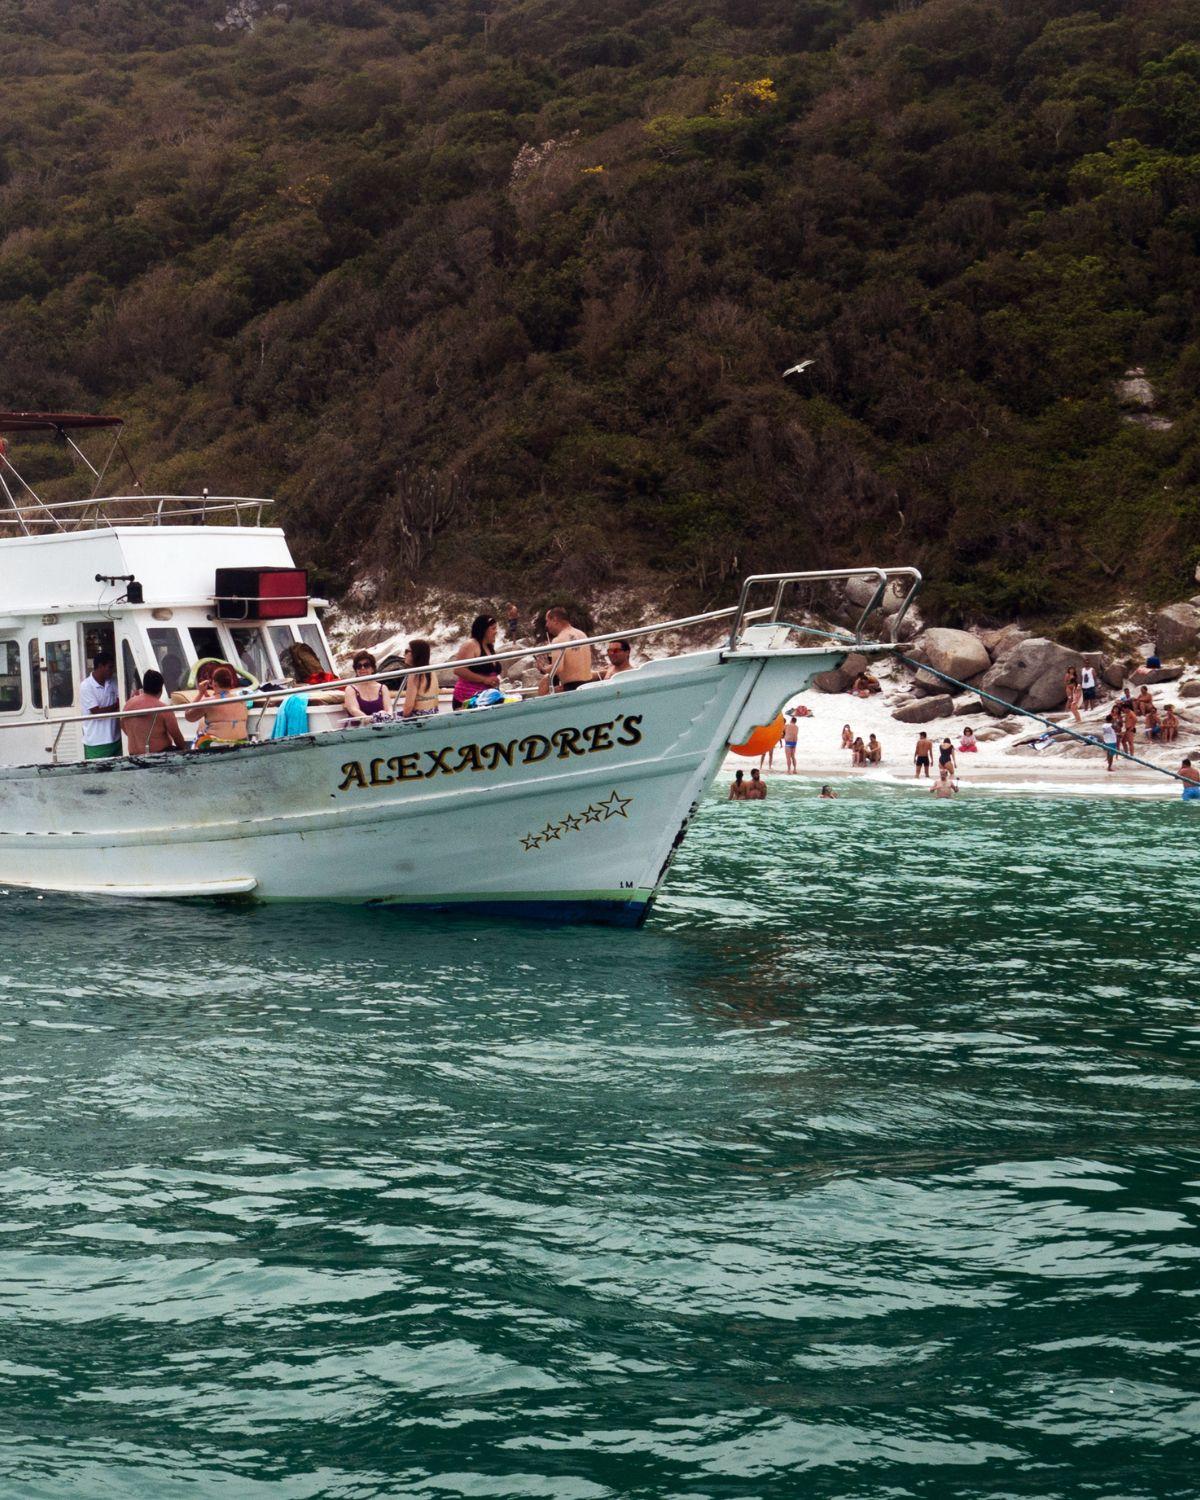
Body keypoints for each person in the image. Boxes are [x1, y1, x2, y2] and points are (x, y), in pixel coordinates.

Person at [121, 669, 186, 755]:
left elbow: (124, 727)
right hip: (158, 757)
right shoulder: (163, 709)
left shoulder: (128, 705)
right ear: (161, 688)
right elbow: (178, 740)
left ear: (144, 685)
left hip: (133, 755)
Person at [186, 664, 249, 748]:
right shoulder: (241, 701)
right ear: (231, 683)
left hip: (218, 744)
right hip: (241, 742)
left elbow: (189, 717)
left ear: (214, 684)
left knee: (200, 731)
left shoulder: (208, 703)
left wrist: (200, 693)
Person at [537, 606, 592, 693]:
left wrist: (543, 669)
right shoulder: (582, 634)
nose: (546, 625)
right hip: (588, 685)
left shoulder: (558, 640)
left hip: (572, 687)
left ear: (555, 620)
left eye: (547, 621)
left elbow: (557, 668)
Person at [453, 614, 501, 710]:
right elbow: (458, 670)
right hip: (467, 699)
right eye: (493, 628)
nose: (496, 632)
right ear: (483, 630)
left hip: (486, 699)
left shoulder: (489, 646)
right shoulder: (471, 644)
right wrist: (484, 679)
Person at [79, 651, 121, 761]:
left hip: (116, 738)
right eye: (110, 667)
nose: (112, 670)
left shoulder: (113, 681)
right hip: (96, 742)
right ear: (100, 666)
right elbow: (96, 712)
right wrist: (115, 705)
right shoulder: (86, 686)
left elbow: (121, 700)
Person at [344, 651, 392, 723]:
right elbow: (354, 710)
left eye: (366, 665)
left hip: (381, 726)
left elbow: (389, 710)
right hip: (360, 730)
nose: (362, 668)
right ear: (356, 670)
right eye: (359, 666)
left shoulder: (383, 688)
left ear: (372, 669)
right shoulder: (350, 689)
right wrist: (372, 720)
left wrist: (385, 716)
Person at [401, 639, 440, 718]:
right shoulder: (432, 672)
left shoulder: (414, 675)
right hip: (433, 713)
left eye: (406, 651)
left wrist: (403, 716)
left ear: (415, 654)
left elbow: (408, 707)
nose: (403, 655)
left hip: (418, 717)